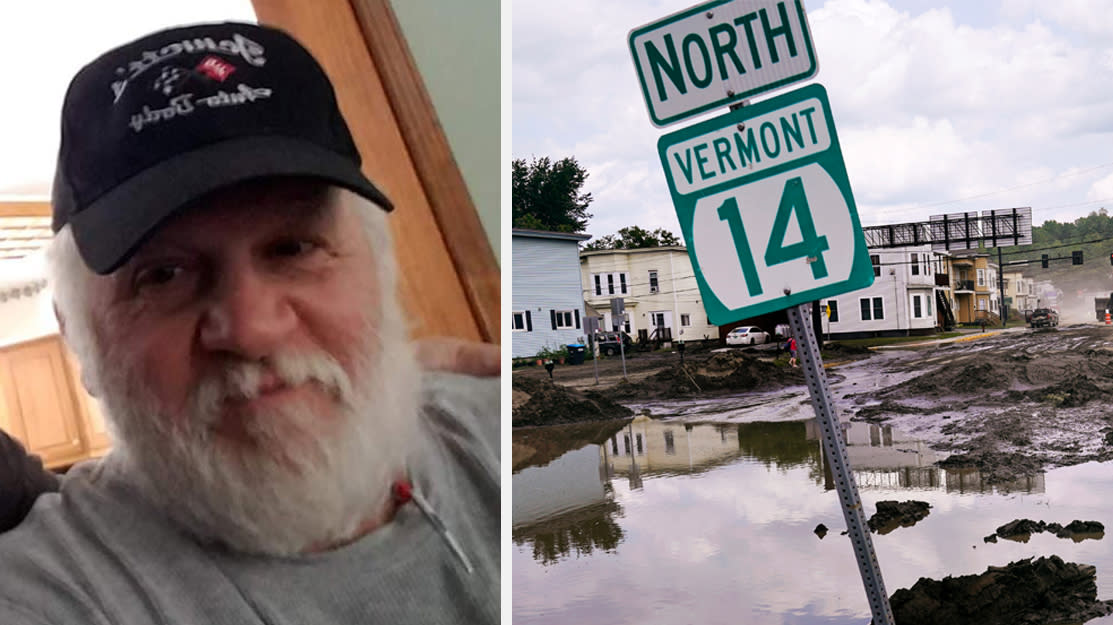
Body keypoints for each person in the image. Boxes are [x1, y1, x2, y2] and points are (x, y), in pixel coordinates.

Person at [0, 22, 498, 625]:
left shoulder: (515, 430)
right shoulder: (50, 592)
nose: (251, 329)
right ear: (80, 339)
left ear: (382, 272)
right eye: (163, 276)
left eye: (292, 247)